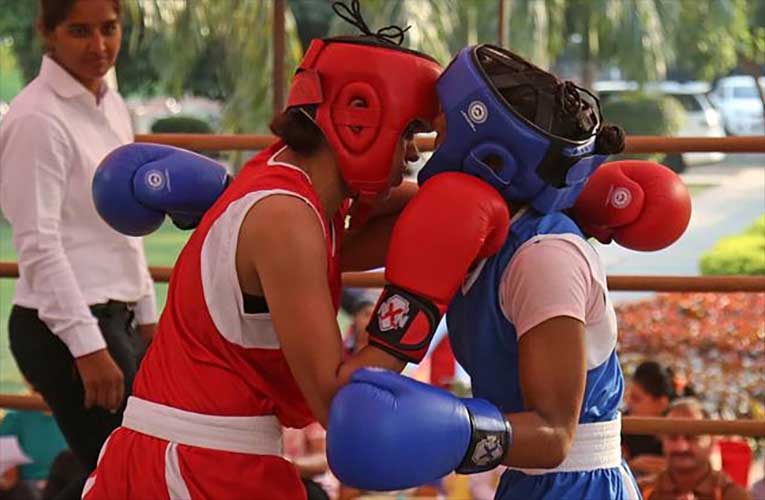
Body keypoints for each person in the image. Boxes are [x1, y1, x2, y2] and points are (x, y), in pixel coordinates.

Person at [81, 3, 449, 498]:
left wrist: (463, 210)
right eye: (407, 131)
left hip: (210, 455)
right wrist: (419, 302)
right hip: (193, 466)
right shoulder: (286, 219)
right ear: (358, 118)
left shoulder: (294, 184)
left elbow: (420, 216)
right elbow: (337, 403)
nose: (411, 152)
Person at [327, 44, 691, 499]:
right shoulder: (467, 224)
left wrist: (450, 432)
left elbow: (554, 434)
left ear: (488, 158)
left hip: (579, 487)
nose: (427, 151)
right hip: (525, 480)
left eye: (441, 137)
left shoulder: (543, 257)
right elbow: (339, 246)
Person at [0, 1, 156, 497]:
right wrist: (86, 348)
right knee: (127, 474)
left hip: (116, 318)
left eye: (109, 29)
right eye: (79, 32)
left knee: (122, 472)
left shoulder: (110, 101)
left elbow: (125, 223)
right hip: (63, 329)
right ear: (47, 32)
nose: (99, 46)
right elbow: (38, 244)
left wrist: (148, 312)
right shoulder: (37, 119)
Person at [643, 398, 751, 500]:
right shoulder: (641, 491)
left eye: (692, 438)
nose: (681, 447)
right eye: (672, 437)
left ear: (712, 441)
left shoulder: (733, 495)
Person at [623, 361, 677, 480]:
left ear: (661, 403)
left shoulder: (682, 429)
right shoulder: (624, 425)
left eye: (636, 399)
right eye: (628, 396)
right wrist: (633, 465)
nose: (628, 403)